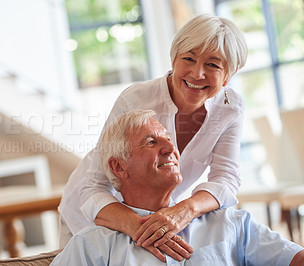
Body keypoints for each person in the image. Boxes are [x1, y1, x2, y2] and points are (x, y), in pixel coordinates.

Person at [59, 13, 248, 261]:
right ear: (173, 59)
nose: (197, 73)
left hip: (158, 216)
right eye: (188, 58)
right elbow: (94, 186)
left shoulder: (230, 107)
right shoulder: (136, 98)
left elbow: (226, 177)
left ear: (229, 75)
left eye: (213, 65)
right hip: (93, 213)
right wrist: (142, 229)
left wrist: (185, 210)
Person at [51, 110, 304, 266]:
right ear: (118, 168)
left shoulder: (231, 224)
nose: (171, 149)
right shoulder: (92, 246)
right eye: (151, 142)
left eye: (170, 141)